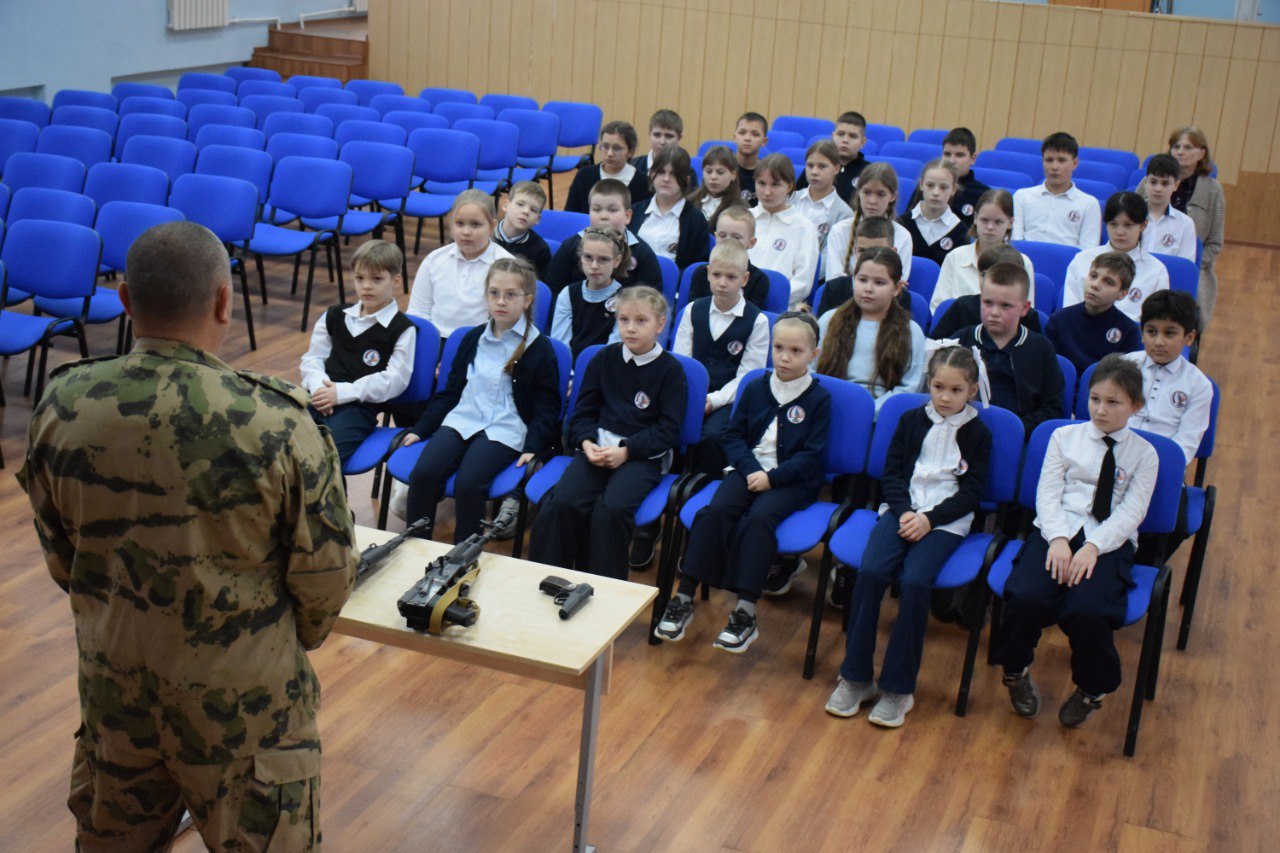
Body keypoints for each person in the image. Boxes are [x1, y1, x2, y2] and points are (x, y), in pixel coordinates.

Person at [19, 220, 358, 850]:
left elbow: (62, 554)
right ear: (225, 301)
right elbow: (327, 577)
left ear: (125, 300)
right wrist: (279, 641)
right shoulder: (276, 422)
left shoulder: (64, 405)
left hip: (116, 692)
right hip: (245, 709)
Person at [826, 347, 992, 727]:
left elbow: (971, 493)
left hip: (945, 522)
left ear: (972, 391)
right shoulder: (910, 419)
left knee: (916, 582)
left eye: (956, 390)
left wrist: (929, 520)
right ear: (928, 383)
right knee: (871, 572)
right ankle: (856, 678)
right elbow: (892, 474)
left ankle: (898, 689)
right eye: (938, 387)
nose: (945, 397)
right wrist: (903, 512)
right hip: (901, 511)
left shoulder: (979, 433)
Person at [992, 355, 1158, 728]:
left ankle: (1092, 689)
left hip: (1108, 539)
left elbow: (1132, 512)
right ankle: (1015, 671)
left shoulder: (1144, 454)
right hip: (1058, 529)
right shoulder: (1064, 437)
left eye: (1113, 402)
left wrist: (1093, 546)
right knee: (1026, 596)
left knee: (1088, 611)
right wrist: (1057, 539)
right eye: (1095, 399)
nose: (1101, 410)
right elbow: (1047, 493)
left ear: (1135, 406)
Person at [654, 312, 831, 652]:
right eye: (779, 348)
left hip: (791, 480)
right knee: (716, 511)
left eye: (796, 351)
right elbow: (733, 436)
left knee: (758, 520)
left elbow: (811, 455)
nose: (784, 357)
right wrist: (751, 471)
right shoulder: (756, 387)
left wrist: (772, 478)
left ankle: (745, 611)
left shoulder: (819, 399)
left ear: (814, 354)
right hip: (748, 470)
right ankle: (683, 596)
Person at [528, 286, 688, 580]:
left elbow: (667, 431)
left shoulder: (671, 371)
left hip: (642, 457)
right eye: (624, 320)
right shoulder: (603, 359)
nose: (630, 328)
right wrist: (586, 442)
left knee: (611, 510)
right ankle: (549, 579)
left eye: (641, 321)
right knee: (563, 502)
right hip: (596, 450)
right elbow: (582, 414)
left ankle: (602, 587)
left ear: (660, 324)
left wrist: (627, 451)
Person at [401, 257, 562, 542]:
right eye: (494, 293)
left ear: (527, 300)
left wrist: (533, 446)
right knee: (424, 474)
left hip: (504, 429)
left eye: (510, 295)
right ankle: (414, 545)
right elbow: (450, 393)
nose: (501, 301)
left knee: (469, 484)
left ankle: (464, 557)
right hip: (463, 419)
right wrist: (422, 428)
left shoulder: (539, 349)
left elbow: (546, 409)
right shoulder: (472, 338)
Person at [300, 238, 417, 465]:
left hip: (358, 406)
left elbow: (395, 380)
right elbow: (313, 358)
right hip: (318, 397)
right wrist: (319, 389)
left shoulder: (402, 328)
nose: (366, 286)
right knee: (282, 440)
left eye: (376, 279)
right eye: (359, 278)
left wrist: (341, 393)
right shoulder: (334, 315)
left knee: (326, 458)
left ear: (395, 281)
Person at [1125, 289, 1212, 564]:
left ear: (1189, 337)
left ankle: (1143, 566)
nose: (1159, 341)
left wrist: (1149, 468)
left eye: (1170, 333)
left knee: (1176, 523)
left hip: (1161, 471)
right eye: (1151, 331)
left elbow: (1185, 445)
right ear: (1141, 332)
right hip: (1115, 457)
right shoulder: (1124, 366)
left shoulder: (1199, 385)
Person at [671, 241, 770, 475]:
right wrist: (693, 397)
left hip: (728, 399)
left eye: (731, 277)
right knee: (668, 423)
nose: (722, 283)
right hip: (690, 391)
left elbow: (747, 377)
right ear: (708, 274)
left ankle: (702, 483)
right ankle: (668, 474)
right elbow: (681, 362)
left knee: (713, 436)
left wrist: (714, 400)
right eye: (716, 275)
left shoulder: (757, 321)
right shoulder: (693, 310)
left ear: (745, 279)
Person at [953, 262, 1064, 438]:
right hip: (961, 432)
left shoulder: (1041, 349)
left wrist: (1016, 429)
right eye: (988, 302)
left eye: (1005, 306)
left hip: (1019, 436)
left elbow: (1052, 407)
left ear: (1024, 308)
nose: (994, 312)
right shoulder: (960, 341)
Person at [816, 245, 926, 414]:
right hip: (825, 409)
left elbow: (909, 387)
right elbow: (810, 370)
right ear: (853, 280)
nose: (868, 288)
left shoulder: (911, 332)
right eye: (862, 280)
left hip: (878, 415)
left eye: (879, 282)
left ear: (897, 288)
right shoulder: (828, 320)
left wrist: (867, 412)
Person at [1145, 126, 1225, 328]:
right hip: (1146, 258)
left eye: (1188, 147)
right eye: (1176, 147)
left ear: (1201, 153)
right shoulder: (1148, 183)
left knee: (1188, 301)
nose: (1180, 152)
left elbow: (1214, 243)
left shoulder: (1213, 191)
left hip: (1194, 265)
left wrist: (1190, 266)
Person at [408, 189, 513, 338]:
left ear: (492, 226)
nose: (466, 232)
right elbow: (418, 312)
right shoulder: (434, 260)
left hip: (479, 342)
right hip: (435, 340)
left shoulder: (507, 267)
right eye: (459, 223)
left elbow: (507, 324)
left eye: (475, 224)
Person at [1061, 192, 1169, 323]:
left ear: (1143, 225)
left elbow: (1156, 323)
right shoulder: (1083, 260)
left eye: (1128, 225)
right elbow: (1069, 313)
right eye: (1113, 224)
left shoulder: (1156, 271)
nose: (1120, 232)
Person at [542, 178, 663, 292]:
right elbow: (553, 289)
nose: (604, 216)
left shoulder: (642, 253)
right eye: (597, 209)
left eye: (612, 210)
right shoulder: (571, 245)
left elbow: (650, 298)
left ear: (627, 216)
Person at [931, 189, 1035, 312]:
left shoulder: (1023, 262)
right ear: (975, 218)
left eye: (998, 222)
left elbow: (1026, 311)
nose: (990, 227)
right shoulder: (955, 257)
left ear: (1010, 223)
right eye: (984, 220)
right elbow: (939, 307)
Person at [1045, 251, 1142, 374]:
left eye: (1108, 282)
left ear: (1122, 294)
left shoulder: (1129, 331)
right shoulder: (1059, 319)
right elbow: (1048, 369)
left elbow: (1124, 378)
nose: (1095, 285)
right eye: (1093, 276)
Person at [749, 153, 820, 310]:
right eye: (761, 183)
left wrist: (768, 297)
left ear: (789, 187)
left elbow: (803, 283)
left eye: (775, 185)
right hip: (738, 301)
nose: (767, 192)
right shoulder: (744, 219)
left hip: (781, 308)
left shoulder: (804, 228)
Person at [930, 244, 1043, 339]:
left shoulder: (1029, 316)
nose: (987, 281)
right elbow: (937, 345)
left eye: (1005, 306)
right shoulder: (962, 306)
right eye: (983, 274)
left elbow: (1036, 349)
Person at [826, 162, 915, 281]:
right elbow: (834, 281)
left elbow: (898, 282)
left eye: (880, 194)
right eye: (867, 192)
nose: (872, 201)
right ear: (858, 192)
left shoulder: (902, 236)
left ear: (892, 197)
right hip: (844, 293)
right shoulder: (839, 231)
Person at [1011, 132, 1101, 250]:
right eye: (1049, 160)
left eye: (1061, 160)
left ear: (1074, 163)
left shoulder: (1089, 204)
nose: (1054, 167)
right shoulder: (1022, 196)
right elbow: (1015, 243)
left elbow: (1088, 251)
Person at [551, 225, 629, 356]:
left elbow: (613, 352)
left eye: (603, 259)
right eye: (588, 257)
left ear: (617, 261)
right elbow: (560, 347)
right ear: (580, 257)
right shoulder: (568, 294)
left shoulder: (625, 299)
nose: (594, 266)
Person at [629, 145, 710, 270]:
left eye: (674, 174)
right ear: (652, 174)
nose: (666, 179)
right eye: (661, 172)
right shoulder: (634, 211)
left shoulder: (696, 220)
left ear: (686, 179)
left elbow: (696, 268)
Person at [685, 204, 772, 309]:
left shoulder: (759, 280)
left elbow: (752, 316)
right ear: (716, 237)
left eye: (736, 237)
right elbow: (693, 311)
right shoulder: (701, 273)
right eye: (722, 236)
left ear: (751, 242)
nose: (728, 241)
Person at [813, 216, 895, 317]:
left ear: (893, 252)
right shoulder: (834, 289)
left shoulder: (900, 297)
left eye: (878, 251)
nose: (869, 258)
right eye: (862, 251)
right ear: (855, 250)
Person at [564, 120, 648, 214]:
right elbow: (570, 214)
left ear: (630, 152)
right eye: (605, 147)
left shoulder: (642, 182)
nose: (609, 154)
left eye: (617, 148)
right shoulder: (584, 175)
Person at [899, 158, 969, 266]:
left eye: (943, 187)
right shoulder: (902, 223)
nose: (936, 193)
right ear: (921, 184)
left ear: (954, 189)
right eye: (930, 185)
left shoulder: (960, 232)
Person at [790, 140, 854, 256]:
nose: (814, 172)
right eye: (810, 166)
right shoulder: (789, 199)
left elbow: (831, 255)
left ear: (836, 169)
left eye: (822, 166)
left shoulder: (844, 214)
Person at [796, 110, 869, 202]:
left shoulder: (868, 172)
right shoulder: (816, 165)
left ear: (862, 142)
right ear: (833, 136)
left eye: (852, 136)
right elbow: (794, 198)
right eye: (840, 134)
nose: (845, 140)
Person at [1138, 154, 1196, 263]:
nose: (1158, 189)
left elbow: (1185, 266)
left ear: (1176, 185)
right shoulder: (1131, 215)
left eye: (1165, 183)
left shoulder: (1185, 224)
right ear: (1145, 182)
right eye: (1153, 182)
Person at [493, 180, 552, 277]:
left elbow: (540, 284)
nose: (526, 211)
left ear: (537, 219)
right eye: (520, 204)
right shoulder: (484, 236)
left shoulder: (540, 250)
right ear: (506, 205)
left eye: (533, 210)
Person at [631, 108, 684, 204]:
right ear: (649, 135)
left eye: (669, 136)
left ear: (679, 138)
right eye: (657, 135)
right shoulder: (632, 166)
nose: (662, 142)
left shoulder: (686, 171)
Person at [941, 126, 990, 228]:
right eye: (947, 154)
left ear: (972, 159)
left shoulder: (984, 195)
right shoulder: (929, 186)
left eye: (959, 155)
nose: (951, 161)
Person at [688, 144, 742, 226]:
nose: (713, 177)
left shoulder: (740, 208)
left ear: (733, 175)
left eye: (720, 172)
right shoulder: (690, 202)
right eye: (709, 171)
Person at [733, 111, 769, 205]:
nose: (747, 138)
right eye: (742, 133)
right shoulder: (724, 168)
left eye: (755, 134)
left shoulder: (768, 172)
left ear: (764, 141)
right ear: (734, 137)